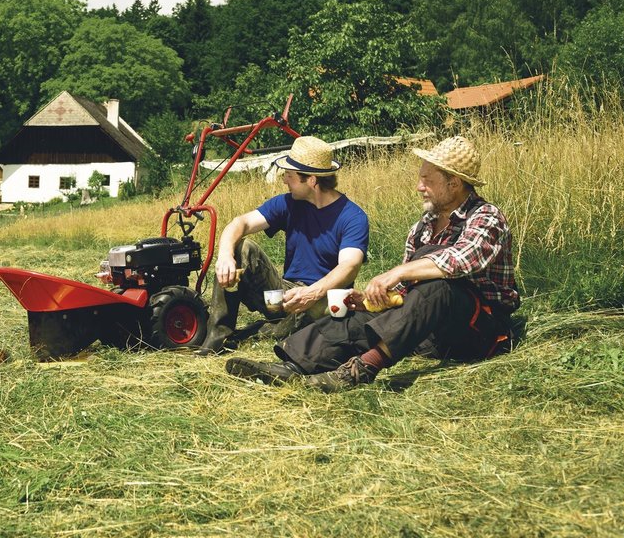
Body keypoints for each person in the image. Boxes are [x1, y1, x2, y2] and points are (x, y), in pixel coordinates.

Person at [226, 136, 520, 391]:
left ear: (454, 183)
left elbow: (459, 262)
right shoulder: (424, 227)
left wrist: (396, 272)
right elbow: (406, 296)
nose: (419, 187)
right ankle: (292, 366)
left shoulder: (485, 217)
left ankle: (359, 370)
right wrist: (368, 303)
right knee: (353, 315)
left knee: (441, 288)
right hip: (427, 328)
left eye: (427, 180)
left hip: (480, 330)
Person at [196, 135, 370, 355]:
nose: (284, 180)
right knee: (242, 247)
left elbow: (349, 266)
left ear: (312, 181)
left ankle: (271, 331)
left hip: (322, 299)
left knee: (321, 312)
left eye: (289, 175)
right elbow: (240, 223)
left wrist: (311, 293)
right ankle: (217, 337)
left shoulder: (352, 217)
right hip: (284, 297)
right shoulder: (288, 203)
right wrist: (225, 255)